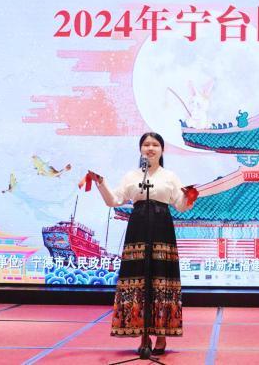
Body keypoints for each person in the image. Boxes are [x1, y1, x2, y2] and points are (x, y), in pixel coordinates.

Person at [89, 132, 197, 355]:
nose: (150, 148)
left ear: (162, 150)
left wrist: (190, 197)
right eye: (146, 144)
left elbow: (180, 205)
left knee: (161, 279)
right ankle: (143, 336)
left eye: (155, 144)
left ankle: (161, 336)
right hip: (137, 229)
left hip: (162, 230)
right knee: (139, 279)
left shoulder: (170, 176)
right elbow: (114, 200)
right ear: (140, 149)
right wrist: (101, 183)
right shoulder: (131, 176)